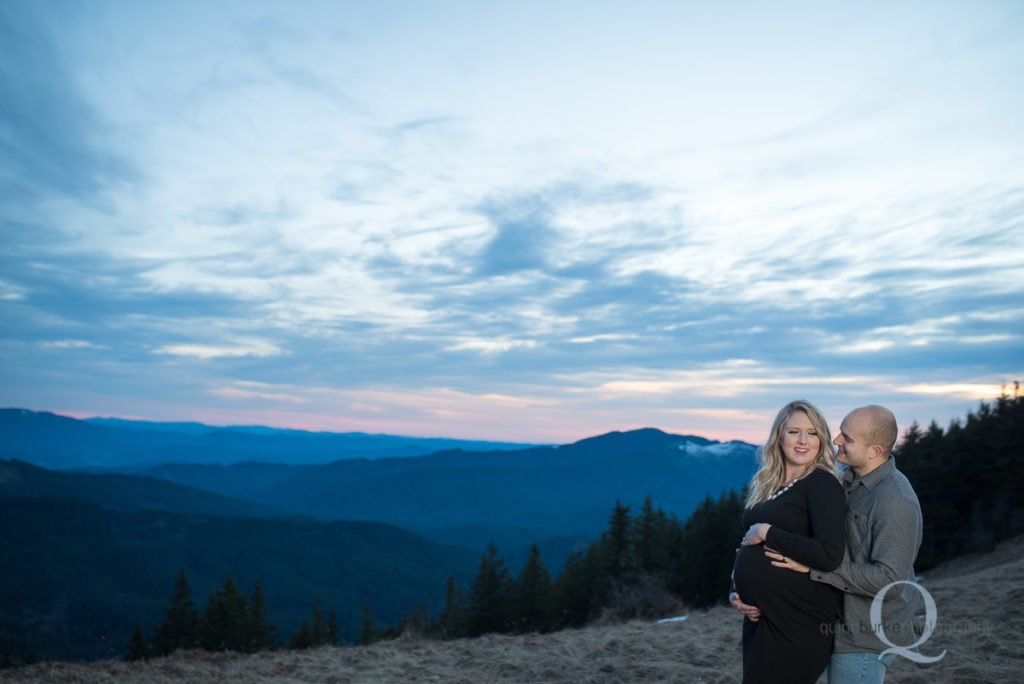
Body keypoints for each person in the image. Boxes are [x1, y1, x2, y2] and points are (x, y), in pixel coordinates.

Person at [765, 405, 923, 684]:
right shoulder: (846, 481)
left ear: (874, 451)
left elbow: (891, 580)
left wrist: (814, 569)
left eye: (847, 438)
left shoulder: (896, 501)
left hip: (865, 639)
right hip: (832, 625)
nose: (836, 440)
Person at [730, 399, 846, 684]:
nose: (803, 440)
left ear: (822, 439)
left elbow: (829, 555)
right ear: (779, 436)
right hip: (762, 616)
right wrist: (736, 590)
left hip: (799, 618)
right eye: (794, 431)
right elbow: (747, 547)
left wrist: (768, 532)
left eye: (813, 432)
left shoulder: (822, 484)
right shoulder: (770, 483)